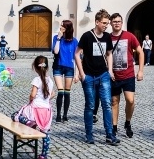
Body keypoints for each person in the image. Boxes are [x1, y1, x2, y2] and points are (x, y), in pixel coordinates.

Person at [74, 9, 118, 145]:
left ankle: (110, 135)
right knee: (90, 105)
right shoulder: (87, 36)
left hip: (103, 74)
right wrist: (81, 73)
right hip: (89, 75)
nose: (106, 25)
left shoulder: (107, 37)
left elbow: (109, 53)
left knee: (106, 104)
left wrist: (110, 70)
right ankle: (89, 134)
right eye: (104, 23)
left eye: (107, 23)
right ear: (97, 22)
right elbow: (77, 54)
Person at [109, 13, 144, 137]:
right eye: (114, 21)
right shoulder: (108, 38)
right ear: (111, 23)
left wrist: (140, 70)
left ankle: (128, 122)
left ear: (122, 23)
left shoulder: (129, 36)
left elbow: (140, 52)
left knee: (130, 100)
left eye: (119, 21)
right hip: (113, 76)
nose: (117, 23)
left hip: (128, 74)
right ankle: (114, 126)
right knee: (114, 101)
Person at [28, 55, 55, 159]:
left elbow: (33, 94)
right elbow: (52, 94)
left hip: (36, 109)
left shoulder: (36, 80)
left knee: (16, 116)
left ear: (35, 67)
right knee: (45, 132)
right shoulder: (50, 81)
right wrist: (47, 98)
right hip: (46, 110)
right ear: (47, 68)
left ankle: (32, 124)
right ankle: (44, 156)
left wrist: (30, 99)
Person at [52, 20, 79, 122]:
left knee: (67, 92)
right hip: (58, 66)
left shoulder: (74, 41)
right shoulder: (56, 38)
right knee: (60, 91)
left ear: (67, 28)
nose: (61, 27)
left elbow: (77, 58)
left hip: (69, 68)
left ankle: (65, 115)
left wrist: (77, 74)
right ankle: (58, 114)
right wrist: (59, 38)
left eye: (62, 26)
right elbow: (56, 51)